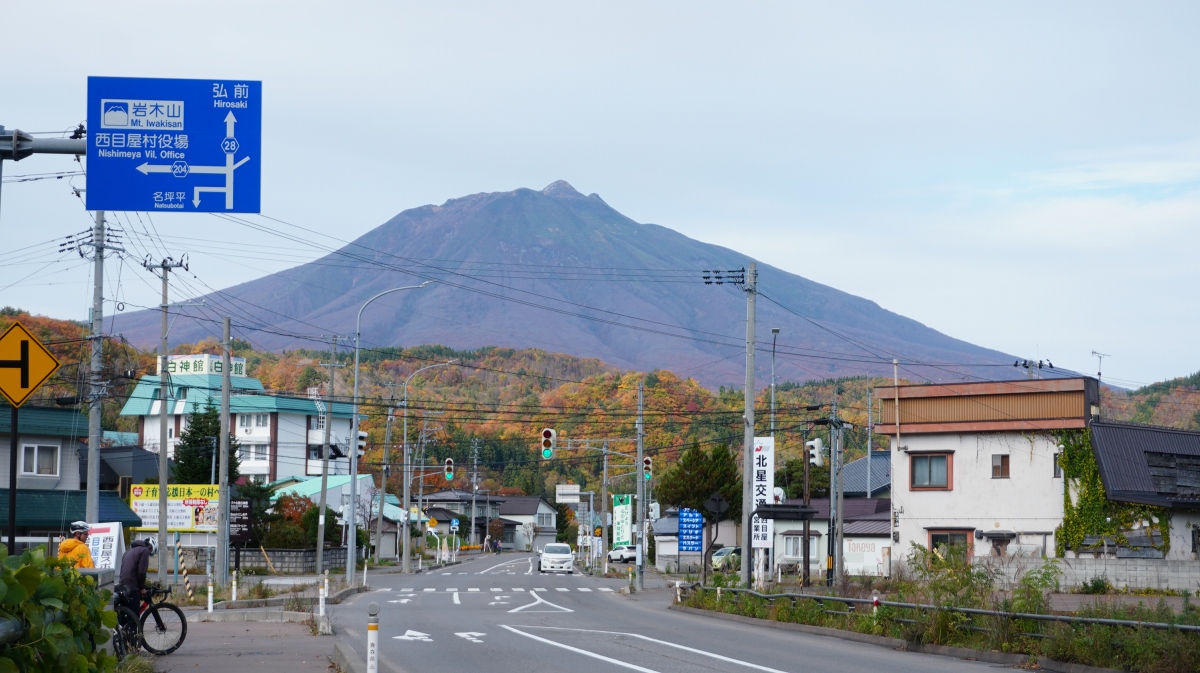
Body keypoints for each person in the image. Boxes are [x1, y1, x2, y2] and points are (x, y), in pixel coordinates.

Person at [117, 537, 156, 612]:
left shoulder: (128, 551)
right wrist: (141, 588)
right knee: (133, 620)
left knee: (124, 617)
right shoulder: (144, 551)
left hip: (123, 586)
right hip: (132, 587)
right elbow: (141, 572)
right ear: (150, 547)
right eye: (150, 552)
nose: (149, 554)